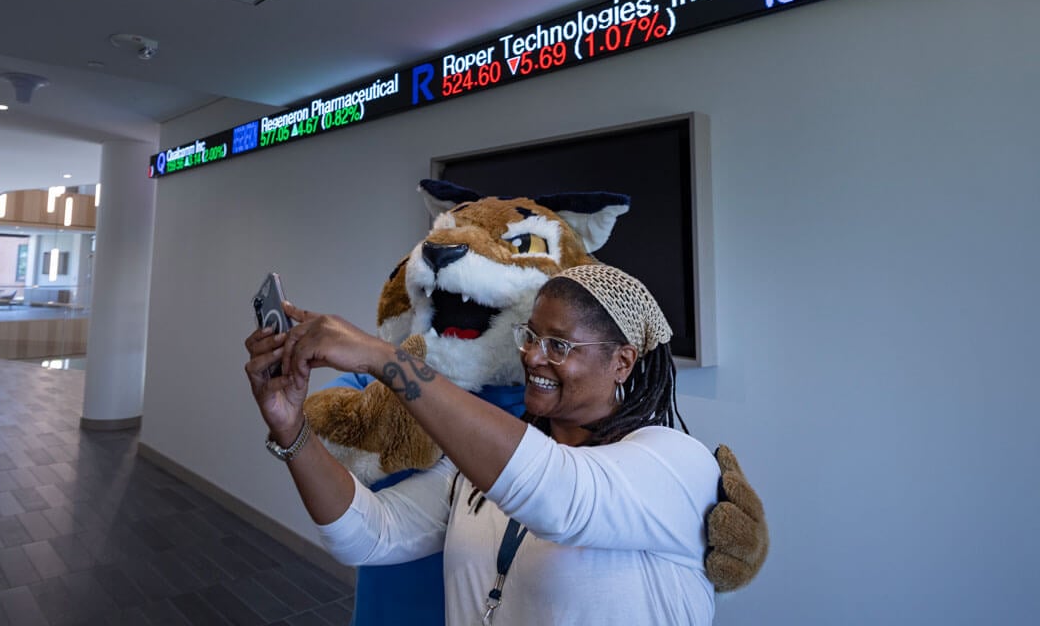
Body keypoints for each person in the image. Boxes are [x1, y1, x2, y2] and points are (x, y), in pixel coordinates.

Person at [244, 264, 719, 625]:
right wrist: (290, 428)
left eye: (559, 345)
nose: (533, 355)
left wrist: (383, 359)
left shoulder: (676, 463)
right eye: (530, 336)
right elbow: (369, 534)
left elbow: (558, 496)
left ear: (622, 362)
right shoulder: (480, 473)